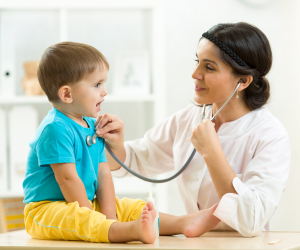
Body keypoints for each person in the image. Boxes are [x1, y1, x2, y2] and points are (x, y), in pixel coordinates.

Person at [95, 22, 291, 237]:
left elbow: (251, 220)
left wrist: (211, 152)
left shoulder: (271, 136)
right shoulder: (190, 117)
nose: (195, 74)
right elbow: (136, 160)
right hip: (195, 242)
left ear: (242, 81)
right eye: (198, 62)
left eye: (209, 67)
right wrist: (116, 146)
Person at [22, 42, 221, 244]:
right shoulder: (55, 129)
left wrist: (109, 215)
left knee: (130, 208)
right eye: (97, 85)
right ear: (67, 94)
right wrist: (93, 217)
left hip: (84, 203)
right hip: (46, 209)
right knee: (80, 219)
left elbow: (103, 172)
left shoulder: (91, 125)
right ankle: (132, 231)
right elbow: (68, 180)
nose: (104, 92)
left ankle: (182, 223)